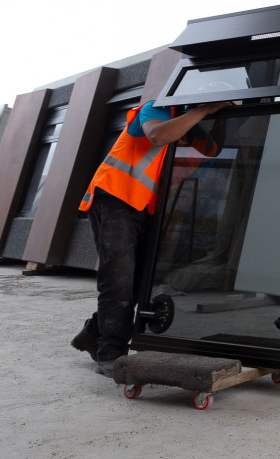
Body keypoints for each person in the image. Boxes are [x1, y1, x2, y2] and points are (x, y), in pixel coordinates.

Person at [69, 97, 231, 375]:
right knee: (118, 281)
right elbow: (158, 134)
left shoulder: (185, 122)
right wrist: (204, 110)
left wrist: (222, 115)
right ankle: (111, 354)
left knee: (137, 284)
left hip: (145, 205)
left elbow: (212, 148)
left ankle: (92, 332)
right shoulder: (155, 108)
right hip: (115, 197)